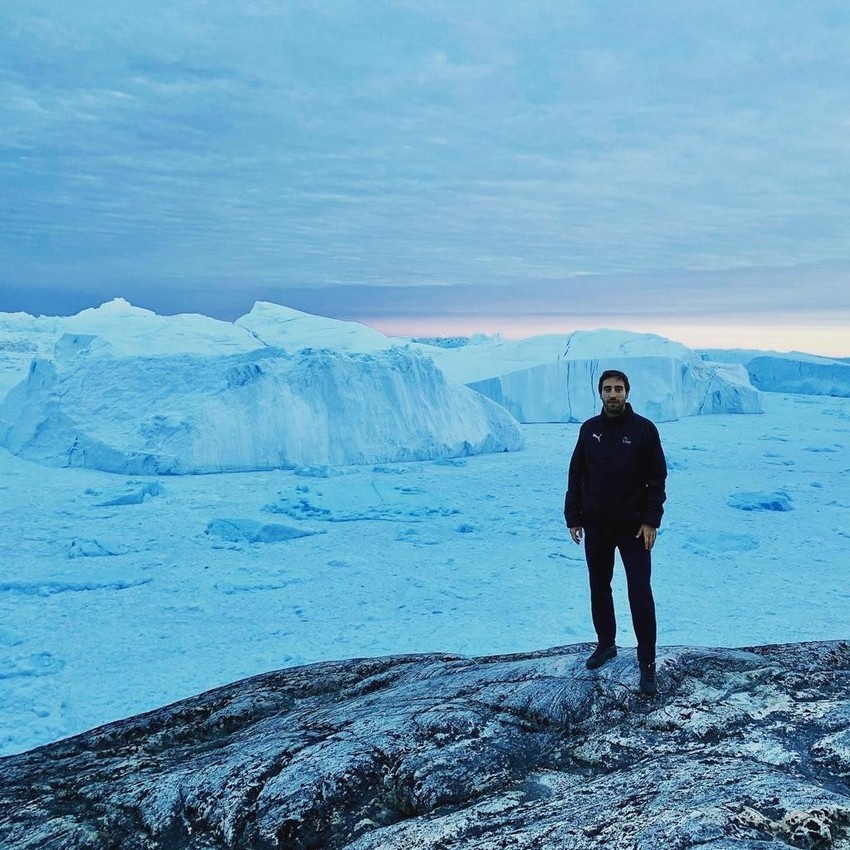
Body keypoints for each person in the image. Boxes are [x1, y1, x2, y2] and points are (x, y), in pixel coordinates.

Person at [564, 369, 667, 696]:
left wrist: (651, 520)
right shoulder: (589, 430)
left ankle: (646, 663)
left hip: (634, 528)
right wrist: (573, 516)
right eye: (607, 389)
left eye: (618, 389)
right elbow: (576, 473)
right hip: (597, 524)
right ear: (600, 393)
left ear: (627, 391)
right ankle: (606, 644)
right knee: (599, 586)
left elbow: (657, 479)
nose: (613, 394)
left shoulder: (643, 430)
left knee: (639, 591)